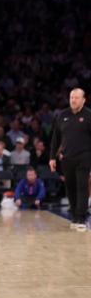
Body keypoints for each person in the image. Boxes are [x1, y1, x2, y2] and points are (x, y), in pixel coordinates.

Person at [49, 88, 91, 231]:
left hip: (84, 157)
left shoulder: (89, 115)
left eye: (77, 97)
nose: (73, 100)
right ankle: (74, 216)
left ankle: (81, 217)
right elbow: (56, 138)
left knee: (82, 187)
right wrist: (52, 157)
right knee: (70, 188)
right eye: (72, 97)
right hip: (66, 158)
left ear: (83, 100)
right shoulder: (62, 115)